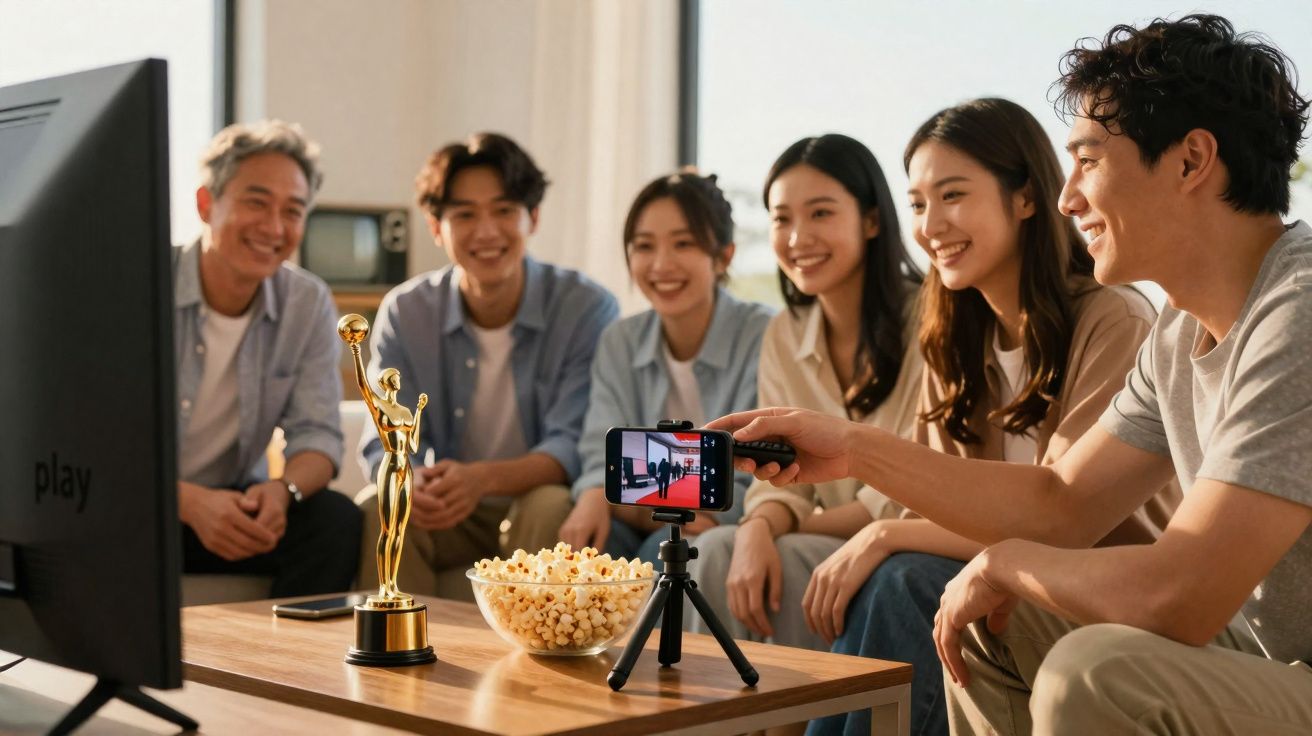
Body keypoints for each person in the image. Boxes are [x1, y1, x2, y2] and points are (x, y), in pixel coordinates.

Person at [713, 15, 1312, 734]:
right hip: (1262, 658)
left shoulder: (1296, 311)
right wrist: (850, 448)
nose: (1068, 200)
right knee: (979, 621)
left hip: (1288, 671)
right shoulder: (1179, 333)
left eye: (1088, 162)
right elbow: (1060, 499)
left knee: (1089, 671)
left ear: (1190, 161)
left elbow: (1179, 594)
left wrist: (1004, 564)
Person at [807, 99, 1180, 736]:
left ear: (1027, 198)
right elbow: (935, 502)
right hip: (1011, 580)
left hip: (1100, 590)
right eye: (918, 204)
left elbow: (1061, 519)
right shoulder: (955, 337)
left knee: (903, 579)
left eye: (952, 196)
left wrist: (884, 534)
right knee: (885, 582)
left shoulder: (1113, 319)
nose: (929, 225)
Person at [356, 132, 618, 596]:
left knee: (549, 503)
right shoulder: (407, 310)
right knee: (383, 502)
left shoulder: (585, 307)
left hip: (533, 500)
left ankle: (533, 662)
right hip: (452, 508)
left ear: (532, 217)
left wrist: (481, 479)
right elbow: (383, 435)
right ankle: (396, 658)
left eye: (503, 211)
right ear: (436, 227)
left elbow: (575, 442)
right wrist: (409, 481)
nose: (486, 231)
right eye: (464, 214)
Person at [692, 134, 925, 652]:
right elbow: (778, 469)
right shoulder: (785, 332)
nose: (798, 237)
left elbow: (901, 491)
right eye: (781, 218)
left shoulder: (932, 319)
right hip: (816, 530)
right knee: (715, 550)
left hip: (905, 541)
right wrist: (758, 527)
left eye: (820, 214)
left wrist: (784, 529)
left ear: (871, 221)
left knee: (783, 560)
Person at [175, 120, 361, 597]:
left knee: (335, 520)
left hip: (237, 505)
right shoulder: (136, 283)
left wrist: (284, 491)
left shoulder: (307, 303)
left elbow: (318, 435)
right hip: (139, 506)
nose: (274, 228)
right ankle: (116, 675)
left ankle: (288, 668)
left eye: (293, 211)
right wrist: (189, 503)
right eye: (256, 202)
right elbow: (94, 448)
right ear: (205, 204)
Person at [559, 170, 772, 563]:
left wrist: (630, 497)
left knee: (659, 558)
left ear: (724, 255)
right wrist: (595, 492)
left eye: (683, 243)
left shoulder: (764, 334)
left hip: (720, 526)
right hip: (650, 519)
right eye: (643, 246)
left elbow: (750, 473)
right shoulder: (620, 341)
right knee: (579, 554)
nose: (661, 264)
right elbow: (600, 453)